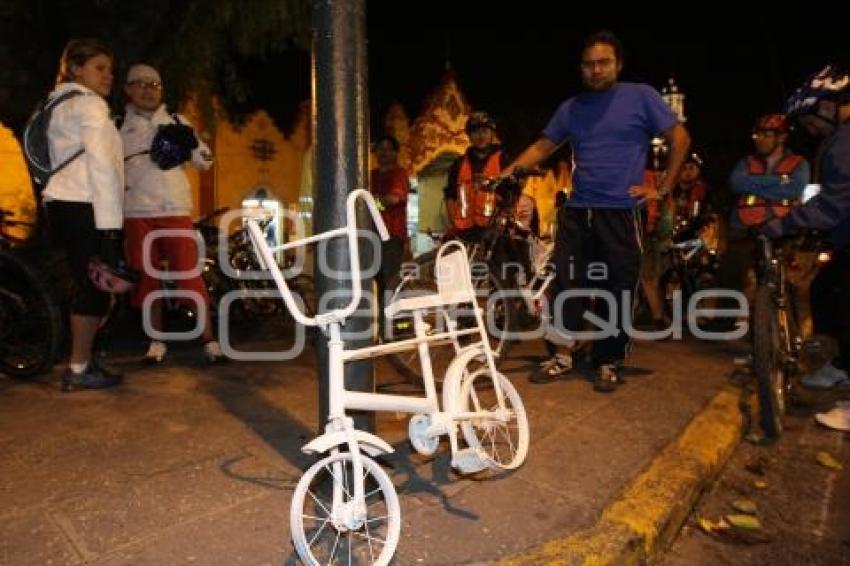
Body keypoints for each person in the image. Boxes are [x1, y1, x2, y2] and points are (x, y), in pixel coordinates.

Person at [503, 30, 691, 390]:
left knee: (617, 287)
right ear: (581, 69)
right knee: (564, 284)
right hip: (578, 209)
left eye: (603, 62)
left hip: (621, 211)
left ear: (617, 65)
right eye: (589, 64)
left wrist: (663, 187)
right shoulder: (571, 108)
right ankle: (561, 355)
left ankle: (608, 360)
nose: (596, 70)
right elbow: (544, 146)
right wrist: (505, 174)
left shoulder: (641, 96)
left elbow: (680, 138)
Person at [119, 63, 223, 364]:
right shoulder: (116, 125)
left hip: (175, 210)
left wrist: (192, 144)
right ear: (127, 89)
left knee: (189, 276)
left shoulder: (178, 120)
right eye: (140, 83)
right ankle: (156, 343)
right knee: (145, 278)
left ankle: (210, 342)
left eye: (154, 84)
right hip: (136, 212)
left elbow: (205, 161)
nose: (148, 90)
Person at [40, 38, 125, 390]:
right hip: (85, 205)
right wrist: (110, 230)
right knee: (97, 289)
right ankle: (78, 367)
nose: (108, 76)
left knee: (89, 285)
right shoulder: (90, 106)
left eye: (110, 70)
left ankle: (83, 357)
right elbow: (103, 168)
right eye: (99, 68)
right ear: (76, 68)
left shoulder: (57, 103)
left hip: (60, 203)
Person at [761, 64, 850, 393]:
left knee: (838, 296)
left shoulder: (842, 143)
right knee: (826, 289)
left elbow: (834, 203)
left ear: (827, 107)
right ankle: (841, 366)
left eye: (810, 121)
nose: (810, 130)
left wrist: (783, 224)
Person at [712, 113, 810, 330]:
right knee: (730, 273)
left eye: (766, 135)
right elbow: (736, 183)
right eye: (757, 134)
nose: (759, 139)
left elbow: (795, 188)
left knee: (785, 282)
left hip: (782, 229)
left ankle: (790, 331)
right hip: (744, 229)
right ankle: (722, 323)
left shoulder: (799, 163)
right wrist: (778, 183)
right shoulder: (745, 162)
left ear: (781, 137)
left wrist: (754, 183)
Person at [640, 151, 711, 329]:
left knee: (701, 267)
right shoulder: (669, 186)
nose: (687, 172)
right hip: (663, 236)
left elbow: (705, 215)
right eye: (684, 167)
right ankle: (658, 314)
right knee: (653, 275)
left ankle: (696, 310)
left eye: (691, 168)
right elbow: (661, 214)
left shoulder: (701, 190)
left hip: (689, 238)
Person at [443, 111, 509, 242]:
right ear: (469, 136)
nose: (480, 135)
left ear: (492, 133)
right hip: (464, 232)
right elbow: (450, 195)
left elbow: (511, 194)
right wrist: (454, 223)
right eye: (475, 131)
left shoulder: (503, 160)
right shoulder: (458, 164)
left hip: (494, 232)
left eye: (485, 130)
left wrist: (503, 222)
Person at [370, 134, 409, 302]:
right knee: (376, 280)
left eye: (388, 149)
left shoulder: (399, 174)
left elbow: (393, 199)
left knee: (391, 280)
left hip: (391, 236)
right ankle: (383, 322)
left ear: (395, 153)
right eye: (380, 149)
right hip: (371, 235)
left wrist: (372, 203)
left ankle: (393, 323)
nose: (384, 153)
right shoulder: (370, 175)